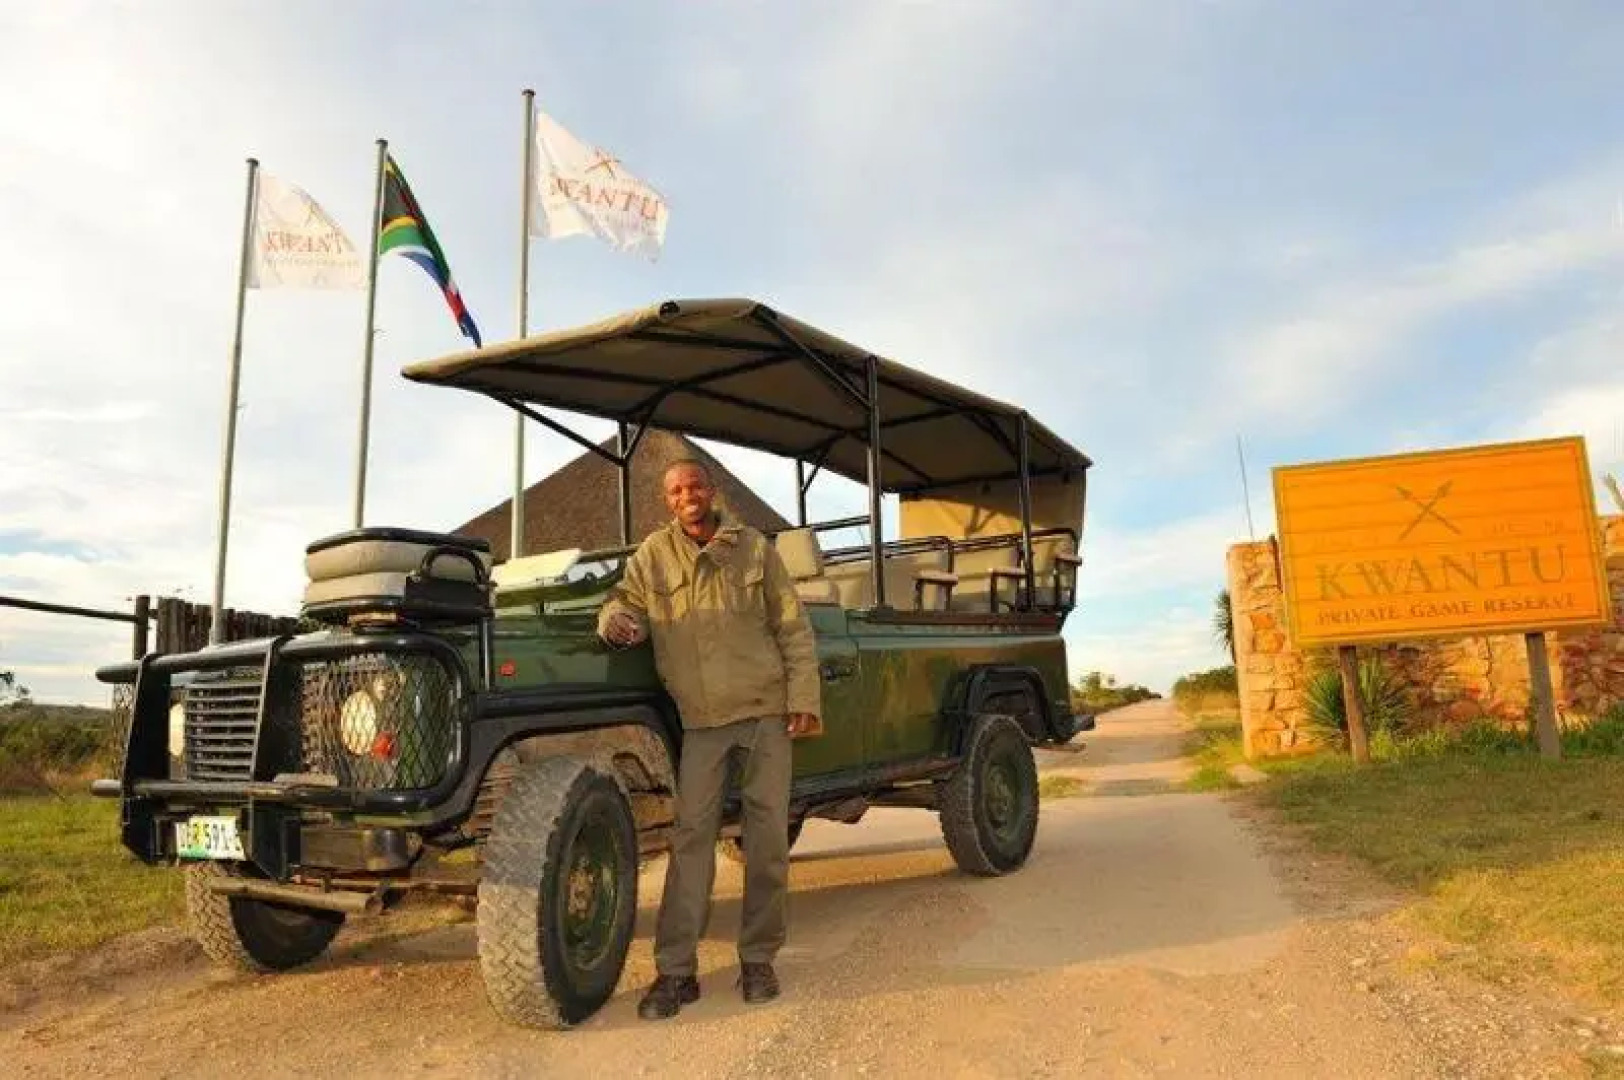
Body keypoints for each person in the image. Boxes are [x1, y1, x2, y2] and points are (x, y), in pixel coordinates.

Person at [597, 458, 822, 1020]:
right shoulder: (653, 554)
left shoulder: (754, 549)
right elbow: (624, 602)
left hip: (764, 711)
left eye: (693, 485)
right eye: (675, 489)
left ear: (710, 490)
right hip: (701, 721)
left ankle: (758, 960)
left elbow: (792, 625)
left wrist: (803, 699)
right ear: (667, 500)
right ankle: (677, 973)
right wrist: (616, 622)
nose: (686, 495)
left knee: (766, 838)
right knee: (691, 840)